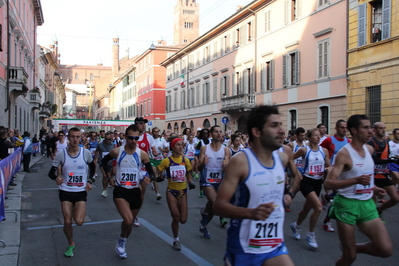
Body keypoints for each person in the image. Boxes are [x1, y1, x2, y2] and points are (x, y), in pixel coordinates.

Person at [214, 105, 295, 266]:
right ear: (256, 132)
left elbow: (294, 178)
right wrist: (251, 213)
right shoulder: (241, 162)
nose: (281, 130)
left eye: (280, 124)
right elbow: (218, 206)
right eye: (274, 125)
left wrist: (288, 194)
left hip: (274, 246)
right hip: (244, 248)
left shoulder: (282, 159)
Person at [324, 114, 393, 266]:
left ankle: (353, 248)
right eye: (366, 128)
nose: (371, 131)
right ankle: (350, 251)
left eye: (371, 128)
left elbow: (364, 178)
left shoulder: (369, 150)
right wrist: (355, 180)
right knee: (350, 258)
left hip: (367, 203)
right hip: (347, 205)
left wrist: (374, 188)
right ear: (354, 130)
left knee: (386, 249)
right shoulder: (344, 154)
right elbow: (328, 184)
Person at [101, 124, 156, 259]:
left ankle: (122, 240)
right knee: (128, 219)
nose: (133, 141)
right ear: (125, 137)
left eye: (136, 138)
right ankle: (122, 241)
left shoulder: (142, 154)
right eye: (131, 138)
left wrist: (149, 178)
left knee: (129, 223)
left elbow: (151, 173)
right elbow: (103, 162)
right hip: (120, 191)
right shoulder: (117, 151)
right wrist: (109, 177)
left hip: (135, 192)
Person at [48, 127, 96, 257]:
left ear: (81, 138)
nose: (75, 139)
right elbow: (51, 173)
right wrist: (56, 178)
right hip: (66, 190)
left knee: (79, 222)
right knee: (67, 221)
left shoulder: (85, 153)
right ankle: (70, 243)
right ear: (68, 138)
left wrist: (90, 180)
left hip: (80, 191)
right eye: (72, 137)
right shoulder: (61, 154)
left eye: (77, 137)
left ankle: (75, 209)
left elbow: (93, 166)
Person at [290, 128, 330, 250]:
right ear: (309, 137)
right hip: (306, 181)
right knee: (318, 207)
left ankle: (296, 225)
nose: (319, 137)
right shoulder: (304, 150)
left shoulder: (324, 151)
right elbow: (290, 159)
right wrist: (297, 172)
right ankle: (311, 235)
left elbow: (328, 166)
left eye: (319, 135)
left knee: (307, 208)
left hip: (318, 182)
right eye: (316, 135)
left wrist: (329, 169)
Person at [157, 136, 195, 250]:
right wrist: (161, 176)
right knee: (176, 216)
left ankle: (176, 225)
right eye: (178, 145)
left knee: (183, 220)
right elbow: (157, 171)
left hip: (183, 191)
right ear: (173, 147)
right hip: (171, 191)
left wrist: (190, 181)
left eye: (181, 145)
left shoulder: (185, 160)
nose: (180, 147)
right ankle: (176, 239)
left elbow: (189, 172)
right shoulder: (167, 161)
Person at [197, 125, 231, 238]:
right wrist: (203, 163)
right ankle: (205, 213)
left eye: (220, 132)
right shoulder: (205, 148)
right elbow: (198, 168)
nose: (219, 134)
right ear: (211, 134)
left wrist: (227, 166)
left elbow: (229, 167)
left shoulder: (226, 149)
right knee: (215, 203)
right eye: (216, 132)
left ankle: (204, 223)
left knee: (212, 206)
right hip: (207, 180)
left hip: (220, 181)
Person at [319, 119, 350, 232]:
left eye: (346, 127)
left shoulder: (348, 141)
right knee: (339, 196)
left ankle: (327, 197)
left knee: (339, 196)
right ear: (336, 128)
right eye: (342, 127)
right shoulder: (329, 140)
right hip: (332, 172)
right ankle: (327, 222)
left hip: (344, 172)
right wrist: (326, 166)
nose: (344, 130)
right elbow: (319, 150)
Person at [367, 122, 399, 216]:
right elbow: (374, 159)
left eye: (384, 128)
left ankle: (379, 210)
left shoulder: (386, 142)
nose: (383, 130)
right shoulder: (371, 142)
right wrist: (390, 160)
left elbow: (387, 157)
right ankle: (371, 221)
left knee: (396, 199)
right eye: (381, 128)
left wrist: (394, 161)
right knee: (372, 202)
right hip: (373, 176)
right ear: (375, 130)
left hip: (384, 175)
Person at [134, 117, 159, 227]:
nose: (143, 125)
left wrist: (154, 152)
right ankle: (130, 210)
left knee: (141, 195)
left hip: (143, 169)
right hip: (132, 168)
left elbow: (154, 150)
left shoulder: (148, 137)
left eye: (144, 123)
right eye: (141, 124)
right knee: (133, 192)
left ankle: (135, 215)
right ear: (136, 124)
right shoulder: (131, 136)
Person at [150, 127, 167, 200]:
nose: (156, 133)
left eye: (157, 131)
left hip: (160, 160)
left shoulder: (162, 140)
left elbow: (167, 149)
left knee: (159, 175)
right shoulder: (150, 140)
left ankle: (153, 181)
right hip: (152, 160)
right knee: (155, 175)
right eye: (154, 131)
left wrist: (162, 150)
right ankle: (158, 193)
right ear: (152, 132)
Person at [96, 132, 115, 198]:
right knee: (105, 176)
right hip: (103, 163)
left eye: (109, 139)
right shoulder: (100, 145)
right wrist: (97, 158)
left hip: (110, 163)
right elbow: (96, 151)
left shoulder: (113, 145)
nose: (107, 141)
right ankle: (104, 190)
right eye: (106, 139)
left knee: (108, 175)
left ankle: (107, 184)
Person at [388, 128, 399, 193]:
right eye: (398, 134)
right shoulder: (389, 143)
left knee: (394, 181)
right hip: (392, 163)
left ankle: (386, 190)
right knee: (398, 178)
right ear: (393, 134)